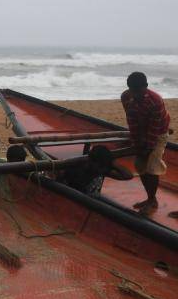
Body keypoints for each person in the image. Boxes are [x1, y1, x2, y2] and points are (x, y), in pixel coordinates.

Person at [121, 72, 171, 214]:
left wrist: (148, 148)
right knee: (140, 165)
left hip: (159, 132)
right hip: (141, 130)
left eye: (139, 90)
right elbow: (132, 122)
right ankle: (151, 198)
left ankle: (152, 201)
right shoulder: (126, 97)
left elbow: (154, 128)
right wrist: (137, 145)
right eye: (133, 90)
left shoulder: (156, 101)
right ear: (129, 88)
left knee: (151, 166)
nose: (136, 94)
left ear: (146, 87)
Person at [58, 145, 132, 198]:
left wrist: (113, 163)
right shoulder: (74, 170)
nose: (103, 169)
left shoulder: (101, 170)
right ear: (92, 161)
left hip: (95, 200)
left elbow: (127, 176)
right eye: (101, 166)